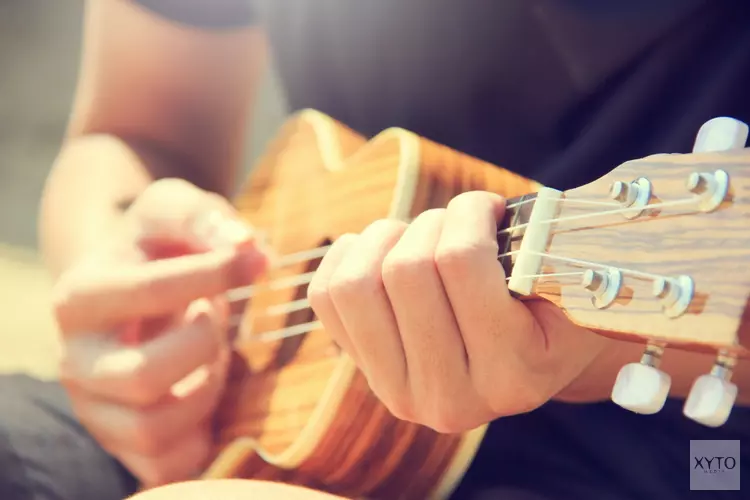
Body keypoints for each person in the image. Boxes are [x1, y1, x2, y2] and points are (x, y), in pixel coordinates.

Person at [1, 0, 749, 498]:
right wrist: (117, 288)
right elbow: (137, 130)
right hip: (238, 415)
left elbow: (720, 257)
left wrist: (588, 347)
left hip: (681, 466)